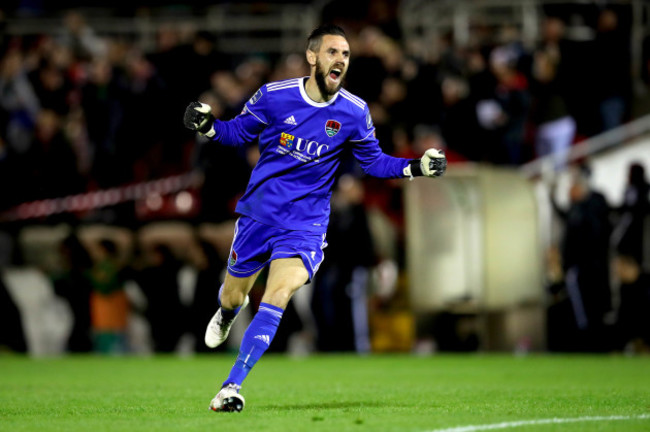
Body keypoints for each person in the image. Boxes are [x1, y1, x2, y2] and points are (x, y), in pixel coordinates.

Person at [183, 24, 447, 413]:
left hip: (305, 224)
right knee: (234, 295)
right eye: (332, 52)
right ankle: (226, 313)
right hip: (259, 214)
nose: (340, 59)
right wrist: (207, 126)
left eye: (346, 54)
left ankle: (231, 386)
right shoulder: (275, 96)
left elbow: (373, 162)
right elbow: (237, 133)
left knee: (278, 294)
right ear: (312, 57)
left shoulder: (354, 112)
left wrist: (417, 167)